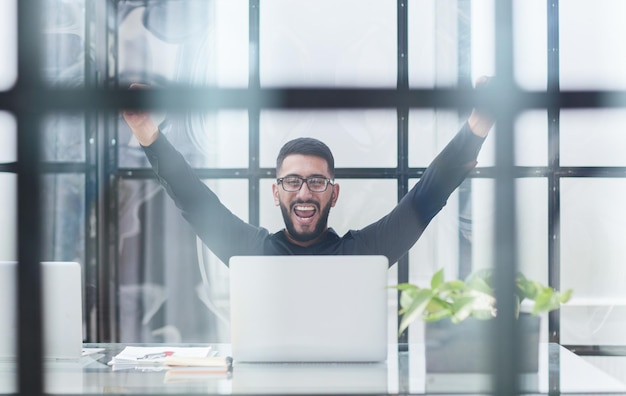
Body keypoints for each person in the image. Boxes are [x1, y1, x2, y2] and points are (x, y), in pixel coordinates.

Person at [122, 77, 494, 266]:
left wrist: (479, 122)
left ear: (334, 193)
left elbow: (425, 198)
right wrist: (146, 133)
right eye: (292, 181)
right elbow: (192, 199)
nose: (304, 192)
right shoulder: (252, 252)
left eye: (316, 181)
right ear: (276, 191)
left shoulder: (362, 253)